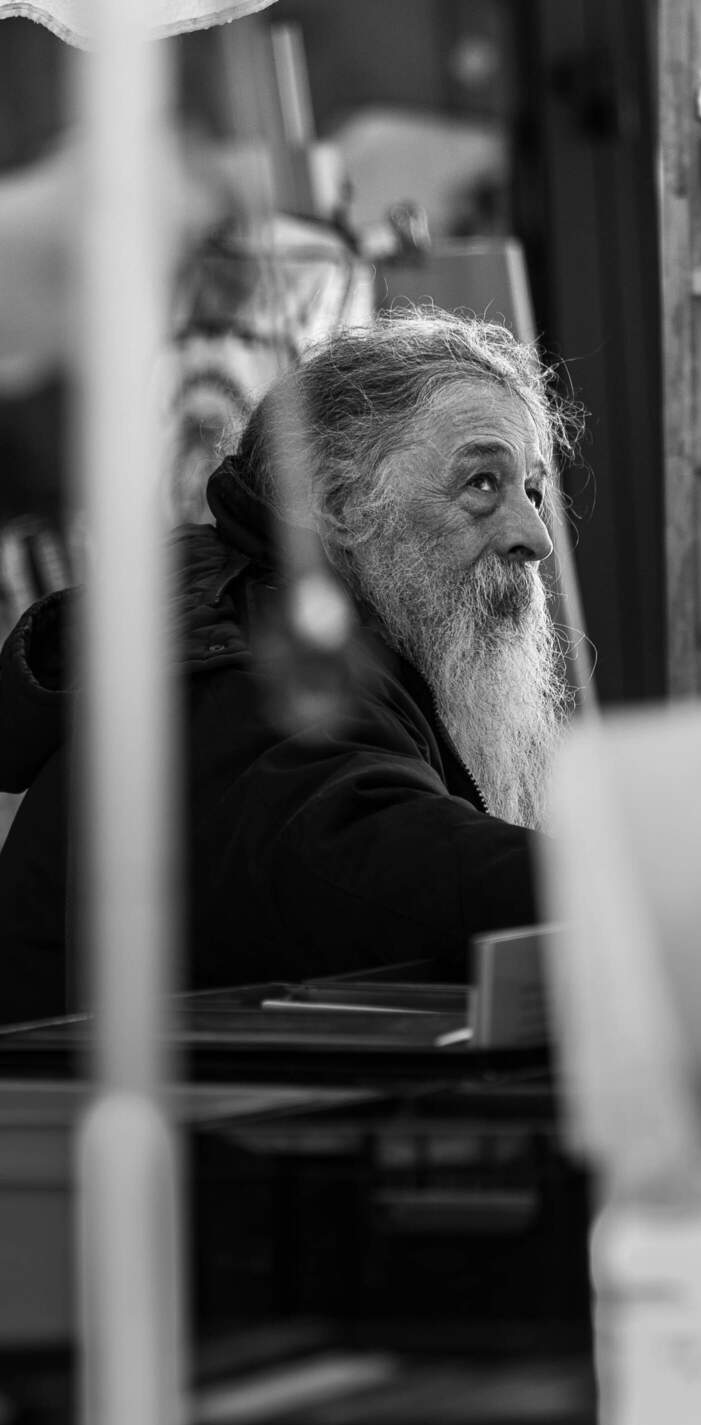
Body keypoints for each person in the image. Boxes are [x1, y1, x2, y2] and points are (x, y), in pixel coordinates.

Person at [0, 308, 580, 1020]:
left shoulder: (299, 622)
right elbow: (378, 855)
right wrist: (651, 883)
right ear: (337, 505)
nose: (535, 538)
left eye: (532, 490)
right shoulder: (247, 672)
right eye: (483, 484)